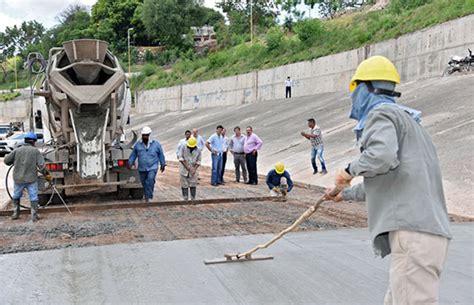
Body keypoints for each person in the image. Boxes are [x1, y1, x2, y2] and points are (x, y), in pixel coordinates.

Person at [324, 56, 452, 305]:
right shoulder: (411, 126)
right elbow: (390, 177)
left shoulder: (381, 114)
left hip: (412, 232)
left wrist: (348, 170)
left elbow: (380, 158)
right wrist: (344, 194)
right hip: (426, 234)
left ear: (363, 88)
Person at [4, 131, 51, 221]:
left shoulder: (17, 150)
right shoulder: (35, 151)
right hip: (31, 179)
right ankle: (34, 216)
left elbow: (6, 161)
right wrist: (48, 176)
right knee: (33, 196)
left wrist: (14, 161)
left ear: (25, 140)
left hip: (18, 178)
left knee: (16, 195)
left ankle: (15, 214)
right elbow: (42, 166)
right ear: (34, 141)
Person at [128, 126, 166, 202]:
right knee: (144, 182)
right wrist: (130, 163)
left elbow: (161, 155)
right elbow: (133, 155)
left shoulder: (156, 145)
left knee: (150, 180)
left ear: (149, 135)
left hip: (153, 167)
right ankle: (146, 195)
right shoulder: (138, 145)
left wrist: (162, 164)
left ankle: (149, 196)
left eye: (146, 135)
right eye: (143, 135)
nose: (145, 137)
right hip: (142, 168)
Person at [178, 137, 201, 201]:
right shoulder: (183, 147)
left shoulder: (198, 150)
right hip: (183, 169)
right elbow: (180, 158)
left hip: (193, 169)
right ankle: (185, 198)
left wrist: (194, 169)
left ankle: (193, 198)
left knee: (193, 183)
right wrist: (187, 167)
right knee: (184, 184)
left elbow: (199, 161)